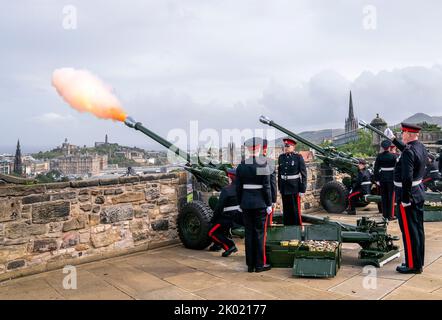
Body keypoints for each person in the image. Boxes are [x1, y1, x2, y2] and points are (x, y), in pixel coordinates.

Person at [385, 123, 427, 274]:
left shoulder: (409, 152)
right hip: (418, 192)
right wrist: (394, 139)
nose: (402, 134)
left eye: (403, 132)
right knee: (418, 229)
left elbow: (407, 177)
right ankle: (417, 261)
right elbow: (409, 151)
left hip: (408, 195)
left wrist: (405, 198)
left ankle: (412, 265)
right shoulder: (420, 147)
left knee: (409, 231)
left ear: (409, 134)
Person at [236, 137, 273, 273]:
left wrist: (240, 203)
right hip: (260, 204)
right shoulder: (263, 164)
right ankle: (259, 265)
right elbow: (266, 187)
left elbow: (238, 187)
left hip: (245, 203)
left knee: (249, 234)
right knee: (259, 234)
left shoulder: (242, 165)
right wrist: (269, 204)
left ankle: (250, 265)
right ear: (258, 149)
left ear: (248, 149)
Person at [208, 168, 241, 257]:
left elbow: (219, 207)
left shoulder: (227, 190)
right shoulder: (242, 188)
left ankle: (229, 246)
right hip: (241, 219)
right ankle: (217, 245)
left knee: (211, 231)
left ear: (230, 177)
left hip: (229, 219)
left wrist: (213, 220)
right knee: (220, 227)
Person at [277, 137, 307, 225]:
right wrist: (279, 187)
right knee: (286, 210)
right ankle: (287, 227)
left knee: (295, 210)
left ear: (293, 147)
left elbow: (304, 174)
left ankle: (296, 229)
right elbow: (279, 174)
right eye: (285, 146)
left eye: (288, 146)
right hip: (284, 187)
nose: (286, 148)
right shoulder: (281, 157)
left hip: (294, 188)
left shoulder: (298, 157)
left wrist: (302, 189)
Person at [374, 140, 397, 220]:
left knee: (384, 197)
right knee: (391, 197)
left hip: (382, 178)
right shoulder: (394, 156)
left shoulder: (379, 156)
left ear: (383, 147)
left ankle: (385, 215)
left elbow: (376, 168)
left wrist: (377, 179)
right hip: (391, 178)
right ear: (389, 147)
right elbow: (397, 168)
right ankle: (391, 215)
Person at [261, 138, 277, 225]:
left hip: (251, 199)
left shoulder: (247, 163)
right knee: (266, 224)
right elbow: (272, 182)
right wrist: (273, 199)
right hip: (267, 197)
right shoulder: (270, 162)